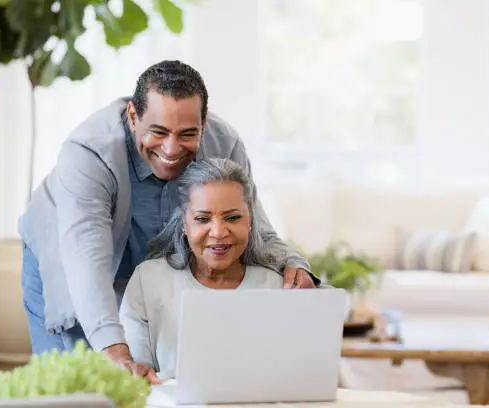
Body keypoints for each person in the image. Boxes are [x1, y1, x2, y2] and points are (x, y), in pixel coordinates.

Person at [18, 60, 318, 382]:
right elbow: (86, 261)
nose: (172, 149)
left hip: (149, 267)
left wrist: (294, 264)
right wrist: (115, 351)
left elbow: (252, 222)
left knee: (153, 378)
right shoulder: (89, 153)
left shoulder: (225, 144)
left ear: (204, 122)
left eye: (188, 134)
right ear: (133, 117)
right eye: (158, 132)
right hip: (70, 257)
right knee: (79, 381)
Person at [120, 158, 287, 380]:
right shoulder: (148, 280)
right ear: (184, 224)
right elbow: (137, 378)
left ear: (250, 220)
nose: (218, 232)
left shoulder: (276, 286)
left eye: (233, 217)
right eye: (202, 219)